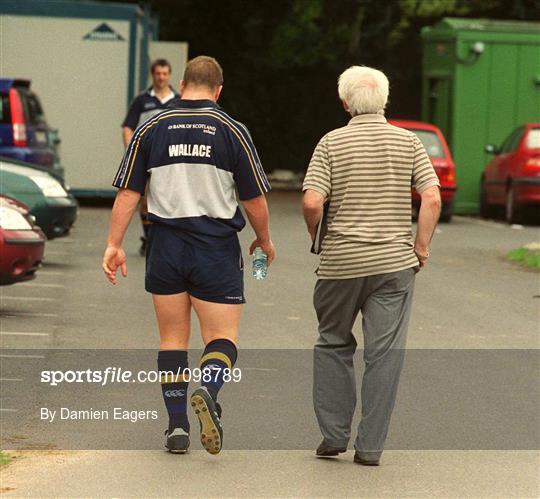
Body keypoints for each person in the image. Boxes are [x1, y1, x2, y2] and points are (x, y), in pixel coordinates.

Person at [103, 55, 275, 455]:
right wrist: (264, 239)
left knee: (172, 340)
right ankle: (208, 388)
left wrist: (114, 244)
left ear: (181, 84)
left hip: (165, 245)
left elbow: (129, 192)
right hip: (214, 248)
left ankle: (177, 427)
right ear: (219, 89)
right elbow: (253, 199)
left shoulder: (151, 127)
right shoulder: (233, 130)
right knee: (221, 338)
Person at [302, 66, 441, 466]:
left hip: (341, 263)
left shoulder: (331, 143)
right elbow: (431, 198)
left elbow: (312, 201)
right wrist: (421, 246)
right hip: (394, 264)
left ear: (345, 102)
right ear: (385, 100)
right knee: (385, 354)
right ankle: (370, 447)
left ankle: (333, 436)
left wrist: (318, 238)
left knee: (332, 342)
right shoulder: (408, 142)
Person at [121, 59, 180, 255]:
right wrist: (131, 149)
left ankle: (167, 238)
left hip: (172, 159)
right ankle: (149, 238)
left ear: (169, 75)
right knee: (146, 200)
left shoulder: (178, 101)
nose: (161, 77)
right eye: (158, 74)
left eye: (165, 74)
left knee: (171, 199)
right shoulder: (141, 100)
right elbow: (128, 126)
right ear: (153, 75)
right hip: (147, 157)